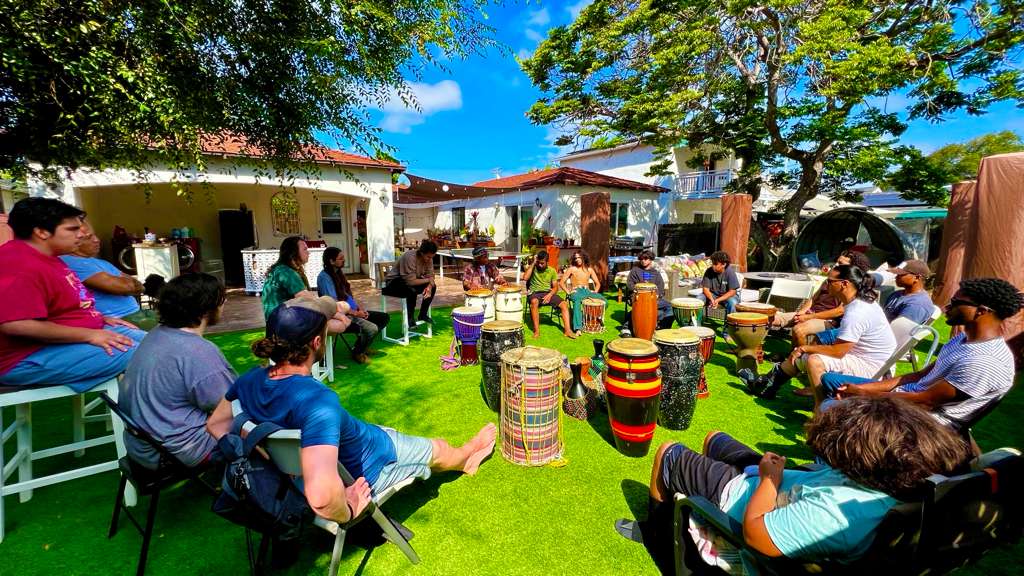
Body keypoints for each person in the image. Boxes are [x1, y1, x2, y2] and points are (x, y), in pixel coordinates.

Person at [205, 297, 497, 527]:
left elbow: (216, 424)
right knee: (440, 448)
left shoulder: (250, 379)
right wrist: (348, 508)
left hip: (345, 447)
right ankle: (467, 457)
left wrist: (265, 453)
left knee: (386, 432)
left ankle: (457, 455)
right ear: (317, 342)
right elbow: (321, 498)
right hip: (373, 461)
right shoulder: (317, 402)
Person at [619, 397, 969, 574]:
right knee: (714, 438)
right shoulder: (894, 482)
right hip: (773, 481)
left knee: (668, 452)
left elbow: (757, 535)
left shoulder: (834, 516)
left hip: (745, 498)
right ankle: (680, 512)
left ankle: (657, 535)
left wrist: (769, 480)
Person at [819, 278, 1024, 430]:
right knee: (830, 380)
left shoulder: (984, 361)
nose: (947, 306)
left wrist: (864, 394)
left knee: (829, 408)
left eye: (956, 302)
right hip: (906, 398)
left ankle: (834, 466)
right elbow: (919, 375)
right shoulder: (962, 340)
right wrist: (863, 389)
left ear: (981, 311)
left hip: (921, 421)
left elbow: (926, 401)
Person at [0, 198, 145, 392]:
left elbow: (58, 308)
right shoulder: (18, 264)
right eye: (72, 229)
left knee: (163, 343)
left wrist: (98, 318)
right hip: (25, 357)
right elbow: (16, 324)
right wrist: (90, 334)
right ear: (41, 232)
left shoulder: (49, 258)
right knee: (150, 355)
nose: (82, 234)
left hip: (71, 340)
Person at [118, 273, 234, 469]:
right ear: (207, 308)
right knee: (268, 415)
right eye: (221, 299)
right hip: (177, 451)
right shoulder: (198, 352)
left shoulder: (155, 334)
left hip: (143, 446)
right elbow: (231, 405)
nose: (224, 304)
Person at [743, 264, 896, 402]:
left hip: (874, 368)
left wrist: (805, 347)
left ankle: (821, 408)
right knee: (804, 356)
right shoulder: (860, 303)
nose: (826, 284)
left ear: (844, 284)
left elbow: (838, 352)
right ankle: (767, 385)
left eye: (830, 281)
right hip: (871, 360)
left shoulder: (857, 312)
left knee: (813, 360)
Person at [60, 220, 156, 330]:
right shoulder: (71, 261)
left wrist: (129, 286)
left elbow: (139, 287)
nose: (97, 240)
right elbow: (126, 286)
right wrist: (128, 285)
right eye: (88, 237)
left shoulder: (101, 262)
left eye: (94, 235)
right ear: (74, 240)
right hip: (120, 320)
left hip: (137, 314)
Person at [775, 250, 871, 349]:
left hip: (828, 320)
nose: (836, 265)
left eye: (840, 263)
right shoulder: (829, 280)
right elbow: (813, 298)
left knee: (799, 330)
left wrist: (809, 317)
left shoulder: (849, 287)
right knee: (773, 318)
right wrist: (802, 312)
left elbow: (840, 310)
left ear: (852, 268)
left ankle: (801, 356)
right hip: (811, 313)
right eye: (837, 261)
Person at [261, 236, 350, 334]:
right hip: (282, 323)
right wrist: (338, 315)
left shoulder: (284, 269)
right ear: (293, 253)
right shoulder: (286, 272)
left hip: (285, 316)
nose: (308, 252)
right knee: (339, 324)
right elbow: (309, 300)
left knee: (344, 305)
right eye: (305, 249)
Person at [317, 247, 389, 365]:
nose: (344, 260)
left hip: (353, 311)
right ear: (331, 261)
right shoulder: (324, 277)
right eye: (341, 258)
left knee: (383, 318)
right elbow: (333, 304)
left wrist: (359, 309)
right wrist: (355, 313)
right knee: (372, 328)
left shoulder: (338, 274)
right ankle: (358, 353)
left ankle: (361, 347)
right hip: (340, 316)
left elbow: (348, 296)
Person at [383, 239, 437, 326]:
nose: (430, 259)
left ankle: (422, 314)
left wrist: (429, 286)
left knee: (433, 286)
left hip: (409, 281)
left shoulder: (429, 259)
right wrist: (429, 280)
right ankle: (410, 318)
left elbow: (431, 276)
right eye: (428, 257)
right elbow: (410, 282)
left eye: (432, 257)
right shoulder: (410, 257)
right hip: (393, 283)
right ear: (422, 253)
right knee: (411, 289)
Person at [523, 250, 572, 339]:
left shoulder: (552, 271)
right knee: (534, 302)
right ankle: (537, 331)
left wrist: (549, 295)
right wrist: (533, 263)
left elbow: (556, 287)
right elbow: (525, 278)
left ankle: (567, 330)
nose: (540, 265)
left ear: (547, 262)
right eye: (538, 262)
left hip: (548, 293)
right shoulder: (533, 268)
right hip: (534, 293)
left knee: (564, 304)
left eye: (542, 263)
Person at [625, 250, 673, 333]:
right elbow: (629, 284)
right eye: (641, 259)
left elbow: (660, 286)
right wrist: (638, 289)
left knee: (671, 307)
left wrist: (657, 295)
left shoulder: (655, 273)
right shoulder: (635, 271)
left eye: (645, 259)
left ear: (650, 260)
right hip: (639, 297)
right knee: (650, 310)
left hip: (653, 298)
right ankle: (631, 321)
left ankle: (662, 328)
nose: (643, 261)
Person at [561, 250, 605, 336]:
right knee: (577, 302)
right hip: (576, 291)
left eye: (579, 257)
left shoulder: (590, 270)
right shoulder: (572, 269)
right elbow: (561, 282)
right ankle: (578, 328)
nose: (577, 259)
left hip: (587, 291)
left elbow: (598, 284)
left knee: (604, 301)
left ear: (584, 258)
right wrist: (569, 292)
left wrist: (595, 292)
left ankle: (595, 318)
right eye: (576, 258)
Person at [882, 260, 935, 325]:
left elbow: (900, 329)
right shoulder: (897, 294)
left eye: (901, 274)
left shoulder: (916, 305)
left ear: (916, 278)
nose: (896, 276)